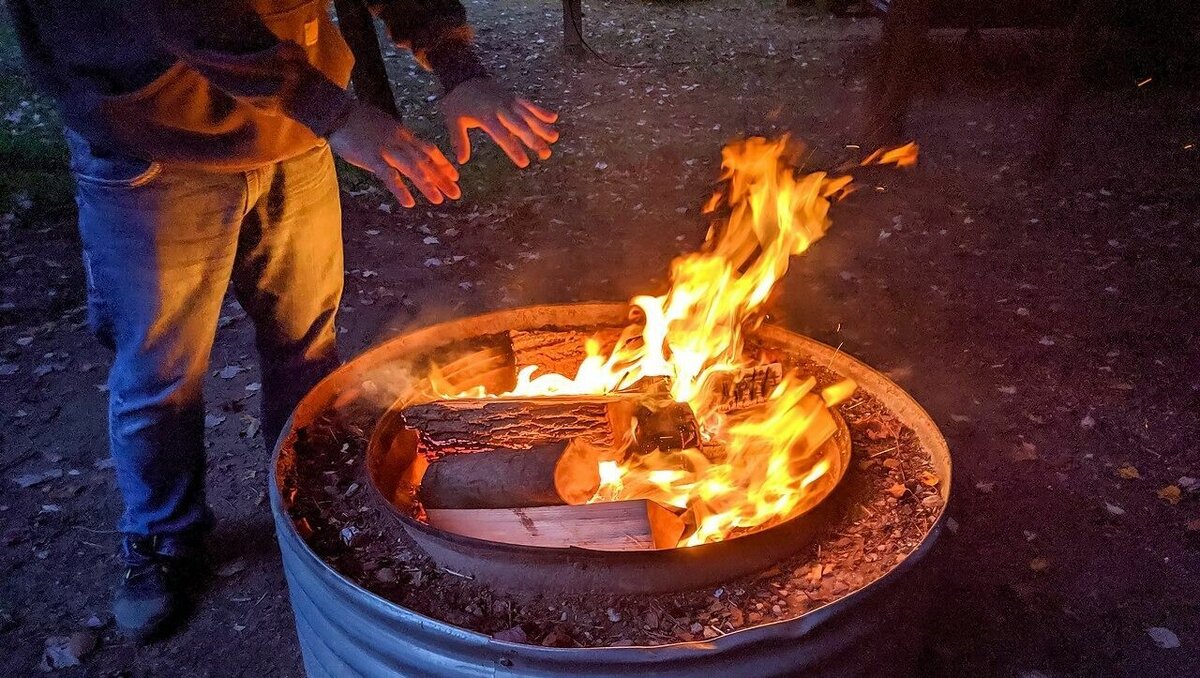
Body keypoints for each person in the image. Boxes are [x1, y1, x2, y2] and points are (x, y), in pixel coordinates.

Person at [10, 0, 558, 641]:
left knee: (305, 348)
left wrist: (456, 65)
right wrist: (340, 115)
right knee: (160, 370)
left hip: (290, 137)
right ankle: (162, 543)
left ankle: (298, 506)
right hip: (150, 137)